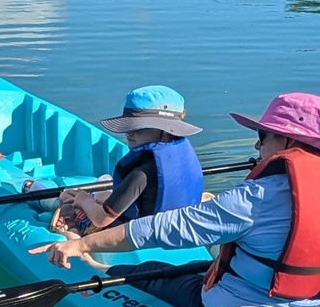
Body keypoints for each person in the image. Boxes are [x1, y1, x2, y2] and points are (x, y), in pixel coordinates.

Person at [31, 91, 320, 307]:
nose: (257, 146)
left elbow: (165, 229)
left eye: (262, 135)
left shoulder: (256, 198)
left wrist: (81, 246)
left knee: (151, 271)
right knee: (210, 266)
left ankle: (100, 269)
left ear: (286, 142)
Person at [52, 85, 205, 233]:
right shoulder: (180, 151)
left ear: (164, 130)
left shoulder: (140, 173)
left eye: (137, 128)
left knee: (67, 198)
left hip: (138, 233)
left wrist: (84, 200)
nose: (128, 134)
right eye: (127, 128)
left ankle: (36, 192)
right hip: (176, 226)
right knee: (100, 190)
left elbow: (101, 220)